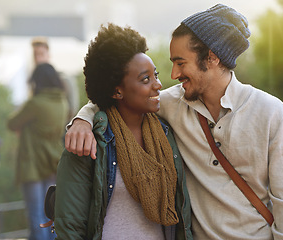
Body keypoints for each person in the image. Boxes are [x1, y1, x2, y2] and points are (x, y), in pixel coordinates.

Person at [64, 4, 283, 240]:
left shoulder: (271, 112)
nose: (173, 75)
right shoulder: (171, 104)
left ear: (211, 58)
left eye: (181, 63)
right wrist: (82, 120)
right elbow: (116, 96)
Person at [54, 23, 192, 240]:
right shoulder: (89, 142)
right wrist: (82, 120)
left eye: (155, 75)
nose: (158, 85)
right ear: (117, 91)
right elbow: (70, 228)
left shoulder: (167, 133)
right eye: (145, 79)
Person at [7, 63, 68, 240]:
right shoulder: (62, 102)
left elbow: (12, 123)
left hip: (32, 164)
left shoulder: (35, 103)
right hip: (53, 163)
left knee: (36, 217)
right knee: (51, 217)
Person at [31, 37, 79, 122]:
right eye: (35, 55)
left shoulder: (64, 79)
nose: (38, 59)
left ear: (48, 55)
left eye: (41, 54)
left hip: (61, 129)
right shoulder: (34, 83)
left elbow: (73, 108)